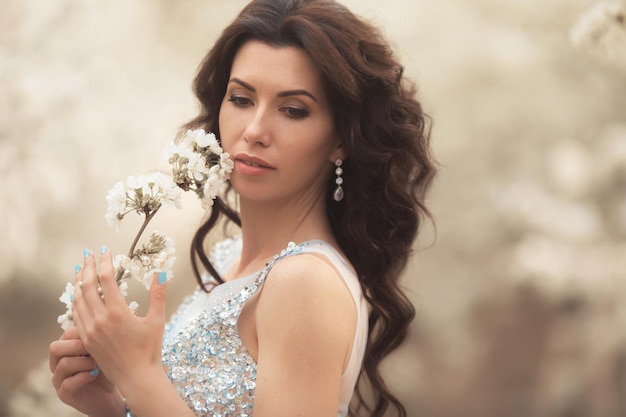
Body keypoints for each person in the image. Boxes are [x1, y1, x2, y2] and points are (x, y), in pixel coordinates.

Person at [48, 0, 436, 416]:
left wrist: (138, 376)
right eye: (241, 99)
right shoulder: (229, 257)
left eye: (293, 110)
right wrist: (112, 405)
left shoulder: (304, 283)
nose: (254, 131)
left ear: (341, 138)